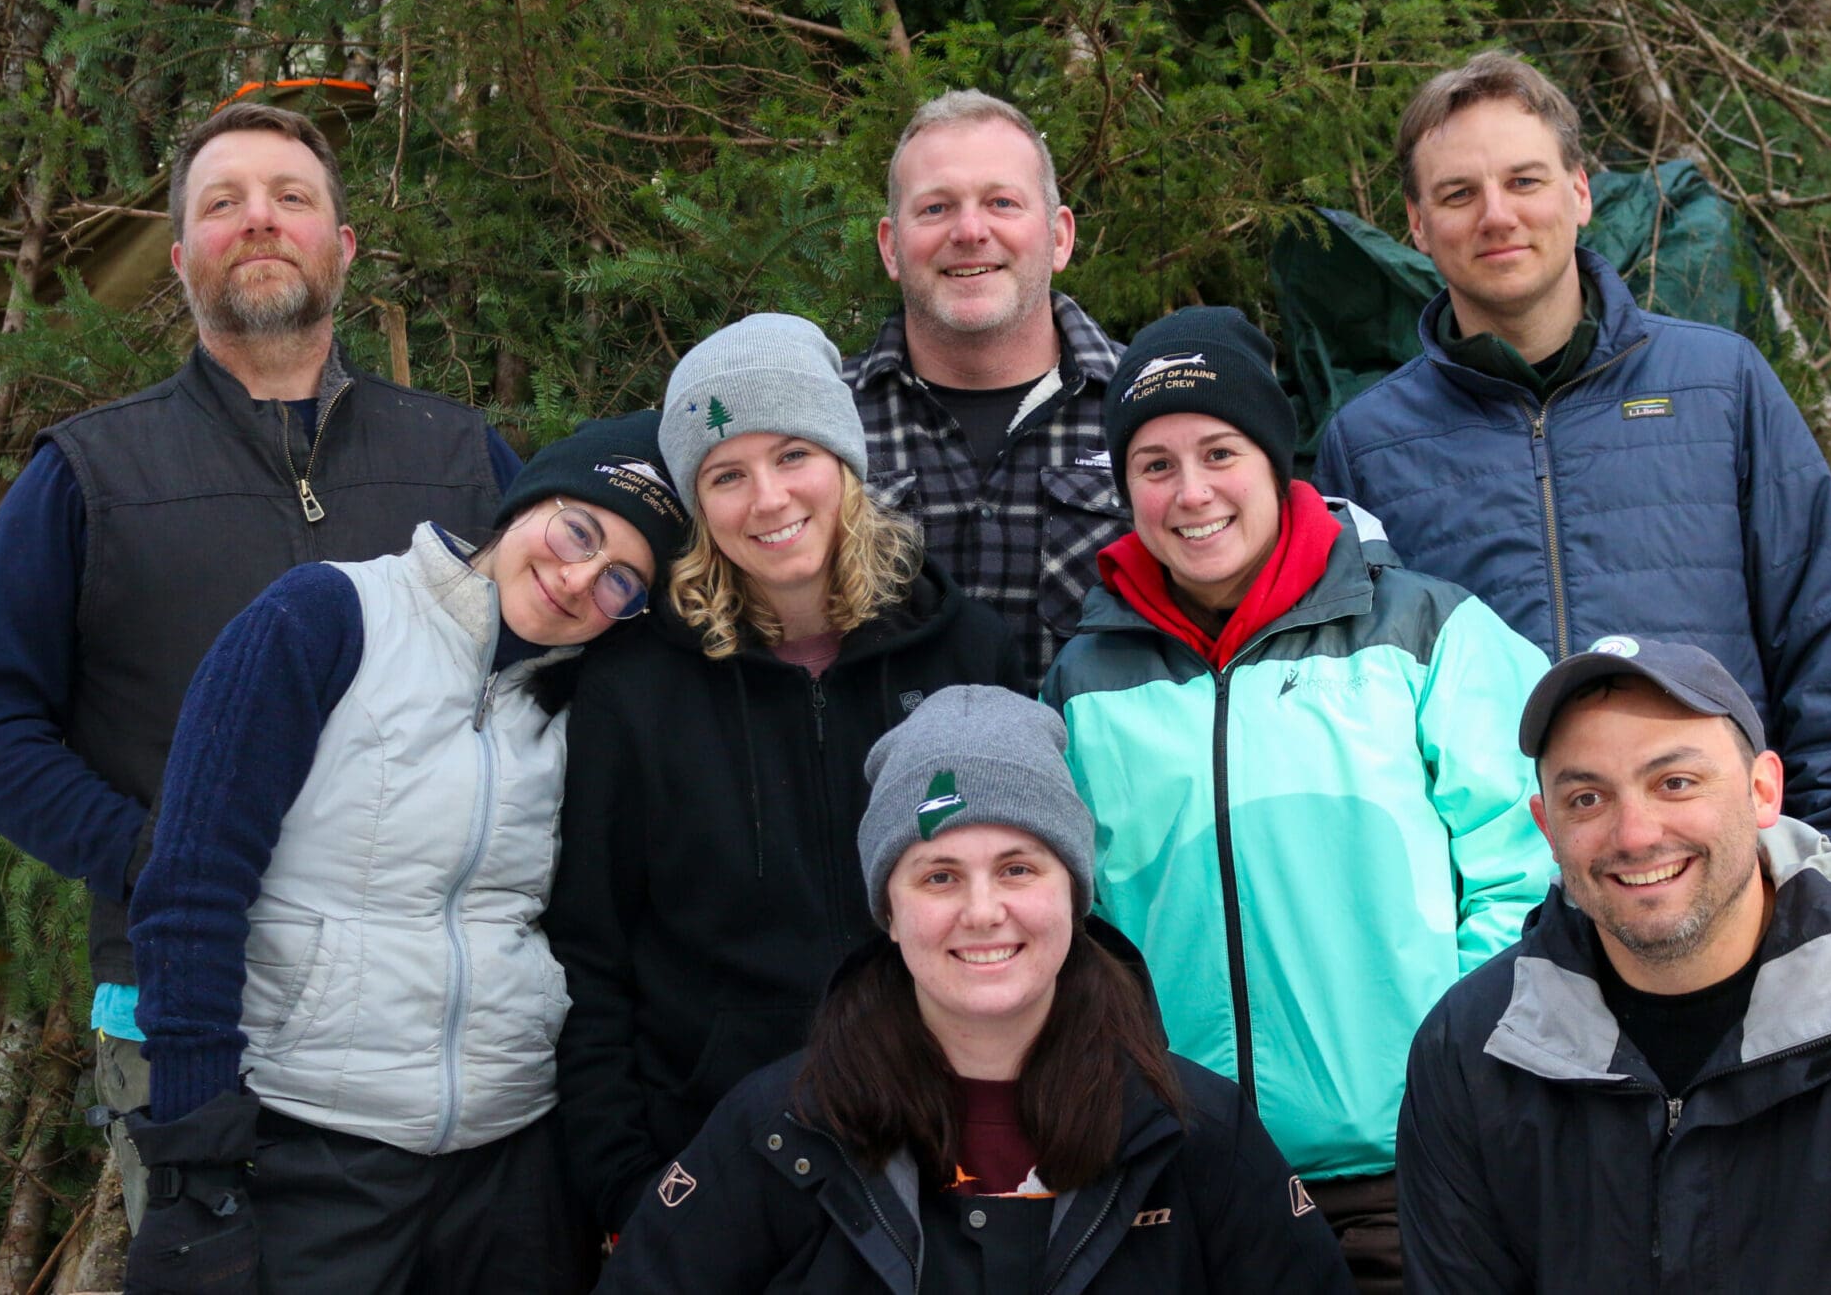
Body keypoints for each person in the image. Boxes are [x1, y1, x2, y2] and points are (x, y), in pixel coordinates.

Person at [0, 100, 519, 1231]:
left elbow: (553, 694)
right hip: (185, 1012)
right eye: (223, 204)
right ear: (180, 258)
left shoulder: (462, 462)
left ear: (342, 248)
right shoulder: (86, 475)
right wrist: (158, 855)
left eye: (291, 198)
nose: (259, 221)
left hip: (435, 1013)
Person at [1312, 50, 1831, 886]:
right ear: (1417, 225)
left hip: (1725, 895)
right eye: (1458, 193)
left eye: (1525, 181)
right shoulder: (1370, 442)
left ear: (1580, 193)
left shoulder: (1721, 386)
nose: (1497, 215)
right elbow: (1360, 719)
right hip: (1501, 923)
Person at [1041, 306, 1555, 1292]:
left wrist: (1453, 1065)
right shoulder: (1081, 684)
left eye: (1218, 452)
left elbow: (1532, 867)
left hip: (1409, 1169)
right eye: (1153, 465)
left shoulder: (1423, 634)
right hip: (1183, 1175)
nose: (1190, 492)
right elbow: (1069, 924)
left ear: (1274, 457)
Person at [117, 413, 686, 1294]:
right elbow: (192, 884)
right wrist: (198, 1158)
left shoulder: (586, 707)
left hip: (514, 1162)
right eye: (580, 530)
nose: (578, 579)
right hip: (313, 1145)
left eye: (622, 580)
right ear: (530, 501)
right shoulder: (327, 616)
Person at [604, 685, 1351, 1292]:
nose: (984, 911)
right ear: (889, 912)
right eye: (939, 876)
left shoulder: (1195, 1135)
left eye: (1019, 868)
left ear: (1075, 894)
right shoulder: (778, 1130)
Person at [547, 313, 1022, 1240]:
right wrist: (621, 1184)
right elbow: (588, 952)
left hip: (944, 1148)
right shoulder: (634, 686)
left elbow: (1029, 905)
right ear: (698, 501)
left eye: (792, 454)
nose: (766, 500)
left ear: (844, 461)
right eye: (726, 474)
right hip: (714, 1157)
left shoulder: (966, 650)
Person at [1398, 637, 1831, 1291]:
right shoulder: (1472, 1046)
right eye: (1587, 800)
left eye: (1674, 782)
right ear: (1546, 826)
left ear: (1763, 790)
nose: (1635, 834)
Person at [845, 89, 1125, 682]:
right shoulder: (818, 424)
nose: (970, 231)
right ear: (892, 248)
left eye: (1001, 202)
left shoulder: (1151, 411)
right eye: (936, 209)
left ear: (1060, 237)